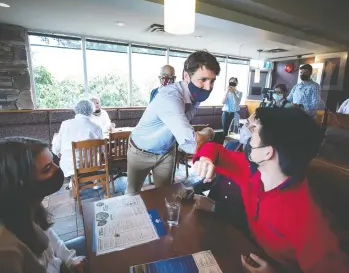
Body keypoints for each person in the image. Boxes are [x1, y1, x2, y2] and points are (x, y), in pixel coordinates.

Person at [192, 107, 349, 273]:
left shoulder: (308, 219)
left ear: (268, 152)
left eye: (254, 132)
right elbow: (213, 149)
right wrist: (206, 160)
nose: (249, 139)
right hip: (252, 253)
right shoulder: (253, 172)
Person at [126, 51, 220, 195]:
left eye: (212, 81)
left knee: (165, 194)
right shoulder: (170, 97)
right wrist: (209, 132)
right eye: (203, 80)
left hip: (166, 151)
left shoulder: (195, 94)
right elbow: (191, 143)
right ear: (186, 76)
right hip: (140, 151)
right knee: (132, 195)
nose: (208, 87)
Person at [0, 137, 86, 273]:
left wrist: (71, 261)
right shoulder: (8, 248)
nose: (57, 169)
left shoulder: (30, 206)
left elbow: (52, 241)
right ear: (22, 182)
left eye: (53, 162)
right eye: (47, 169)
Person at [52, 100, 103, 189]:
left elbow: (56, 148)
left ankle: (74, 179)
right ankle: (94, 179)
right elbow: (101, 150)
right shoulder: (96, 127)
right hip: (92, 165)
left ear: (76, 109)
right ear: (91, 110)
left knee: (67, 157)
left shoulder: (65, 124)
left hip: (70, 165)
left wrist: (58, 153)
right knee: (95, 156)